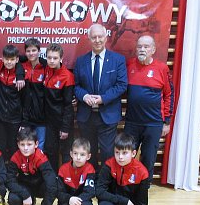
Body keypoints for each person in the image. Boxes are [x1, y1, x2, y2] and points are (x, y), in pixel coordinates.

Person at [74, 23, 127, 171]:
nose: (97, 40)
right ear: (89, 39)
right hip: (86, 115)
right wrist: (84, 96)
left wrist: (103, 98)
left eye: (100, 36)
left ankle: (104, 183)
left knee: (107, 152)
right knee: (88, 151)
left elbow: (122, 85)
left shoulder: (118, 60)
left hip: (108, 115)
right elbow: (76, 86)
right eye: (94, 37)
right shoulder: (80, 61)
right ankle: (91, 181)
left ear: (106, 37)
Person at [124, 35, 173, 187]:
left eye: (146, 46)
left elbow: (169, 95)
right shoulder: (129, 65)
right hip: (132, 121)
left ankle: (144, 186)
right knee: (126, 155)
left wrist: (167, 121)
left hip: (154, 123)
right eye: (139, 46)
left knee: (148, 157)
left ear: (153, 50)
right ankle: (126, 184)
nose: (142, 49)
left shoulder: (162, 68)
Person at [96, 133, 149, 205]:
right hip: (113, 202)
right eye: (117, 152)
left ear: (133, 153)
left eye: (125, 153)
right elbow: (99, 191)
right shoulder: (109, 165)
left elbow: (142, 201)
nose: (120, 157)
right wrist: (124, 201)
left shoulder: (142, 172)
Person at [7, 127, 57, 205]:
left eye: (29, 144)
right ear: (18, 145)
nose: (25, 148)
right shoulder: (15, 158)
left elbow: (52, 184)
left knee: (53, 187)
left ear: (36, 144)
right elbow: (9, 181)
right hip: (25, 186)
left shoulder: (41, 158)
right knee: (13, 199)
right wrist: (25, 195)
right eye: (22, 144)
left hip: (39, 186)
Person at [46, 138, 95, 205]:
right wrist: (69, 200)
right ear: (71, 154)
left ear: (88, 156)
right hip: (64, 202)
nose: (78, 157)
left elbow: (89, 192)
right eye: (75, 153)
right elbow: (58, 193)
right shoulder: (63, 169)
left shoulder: (90, 170)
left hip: (81, 204)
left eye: (82, 154)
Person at [43, 43, 75, 172]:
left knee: (66, 153)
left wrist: (65, 128)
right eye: (49, 57)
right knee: (50, 151)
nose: (51, 61)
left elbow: (68, 105)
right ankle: (53, 180)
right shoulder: (46, 69)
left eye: (55, 58)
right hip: (49, 122)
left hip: (62, 122)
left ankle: (66, 181)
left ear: (61, 58)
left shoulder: (67, 76)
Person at [0, 44, 25, 161]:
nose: (9, 62)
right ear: (2, 58)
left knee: (13, 146)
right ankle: (1, 172)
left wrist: (23, 120)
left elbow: (25, 100)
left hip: (15, 118)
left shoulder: (20, 77)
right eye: (7, 59)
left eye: (12, 59)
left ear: (17, 59)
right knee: (0, 146)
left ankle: (13, 173)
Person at [20, 38, 47, 150]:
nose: (31, 53)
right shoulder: (21, 65)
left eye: (34, 50)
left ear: (39, 51)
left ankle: (39, 168)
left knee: (40, 146)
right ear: (25, 52)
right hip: (25, 116)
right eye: (28, 51)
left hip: (41, 116)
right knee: (25, 146)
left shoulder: (46, 66)